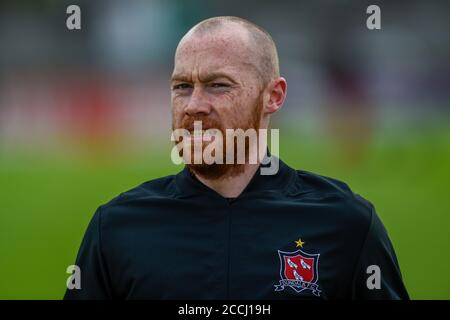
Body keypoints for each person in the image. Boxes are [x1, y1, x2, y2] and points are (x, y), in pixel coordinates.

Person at [64, 16, 409, 300]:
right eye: (182, 86)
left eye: (218, 85)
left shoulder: (346, 223)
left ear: (273, 96)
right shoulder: (117, 228)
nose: (193, 105)